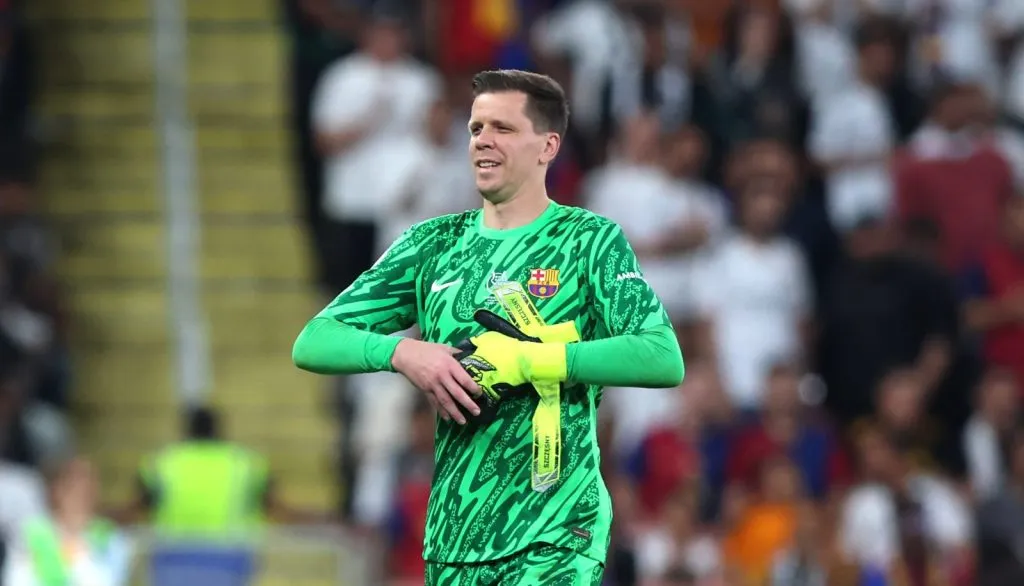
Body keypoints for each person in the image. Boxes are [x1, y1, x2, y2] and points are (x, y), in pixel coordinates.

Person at [293, 69, 685, 585]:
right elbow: (314, 342)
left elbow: (662, 356)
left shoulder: (588, 240)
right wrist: (407, 355)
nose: (482, 140)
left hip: (557, 529)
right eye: (476, 128)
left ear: (547, 146)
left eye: (502, 128)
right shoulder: (432, 244)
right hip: (456, 536)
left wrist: (529, 360)